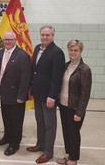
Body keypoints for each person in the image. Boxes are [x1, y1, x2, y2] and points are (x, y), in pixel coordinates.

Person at [26, 25, 65, 164]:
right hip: (37, 94)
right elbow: (34, 71)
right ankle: (40, 144)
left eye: (48, 35)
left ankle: (48, 152)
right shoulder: (37, 48)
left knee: (49, 125)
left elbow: (57, 78)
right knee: (40, 121)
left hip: (48, 97)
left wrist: (52, 96)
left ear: (53, 36)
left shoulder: (57, 52)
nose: (45, 37)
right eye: (43, 34)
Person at [0, 31, 32, 156]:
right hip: (4, 94)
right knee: (6, 118)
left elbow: (25, 78)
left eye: (10, 39)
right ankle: (7, 137)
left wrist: (21, 96)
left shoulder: (23, 56)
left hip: (16, 96)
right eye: (5, 39)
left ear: (15, 40)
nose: (7, 42)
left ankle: (15, 144)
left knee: (16, 121)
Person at [56, 40, 92, 165]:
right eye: (71, 50)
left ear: (80, 51)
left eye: (76, 50)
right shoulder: (66, 66)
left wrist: (79, 112)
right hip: (63, 105)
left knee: (74, 134)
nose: (73, 52)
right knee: (66, 132)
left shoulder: (84, 69)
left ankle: (73, 159)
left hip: (74, 108)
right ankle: (69, 155)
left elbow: (85, 94)